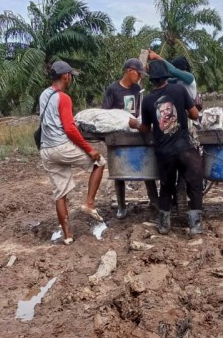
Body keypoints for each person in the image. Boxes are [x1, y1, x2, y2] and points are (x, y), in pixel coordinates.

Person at [129, 60, 203, 236]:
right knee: (194, 184)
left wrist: (135, 124)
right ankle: (195, 225)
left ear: (152, 80)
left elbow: (146, 128)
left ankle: (164, 224)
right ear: (166, 77)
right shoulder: (179, 90)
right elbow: (194, 114)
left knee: (166, 187)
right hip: (185, 149)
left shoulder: (147, 100)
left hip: (164, 152)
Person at [39, 60, 106, 245]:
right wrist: (89, 149)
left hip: (46, 149)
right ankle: (89, 203)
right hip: (61, 146)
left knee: (60, 193)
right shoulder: (64, 98)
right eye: (70, 76)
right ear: (65, 76)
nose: (70, 79)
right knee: (99, 162)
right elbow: (69, 128)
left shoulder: (44, 94)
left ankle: (67, 236)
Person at [102, 58, 159, 219]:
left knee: (147, 167)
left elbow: (142, 109)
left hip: (137, 131)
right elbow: (105, 113)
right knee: (118, 171)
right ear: (129, 71)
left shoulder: (137, 89)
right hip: (119, 135)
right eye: (138, 74)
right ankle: (121, 205)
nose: (140, 77)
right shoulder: (113, 89)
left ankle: (154, 200)